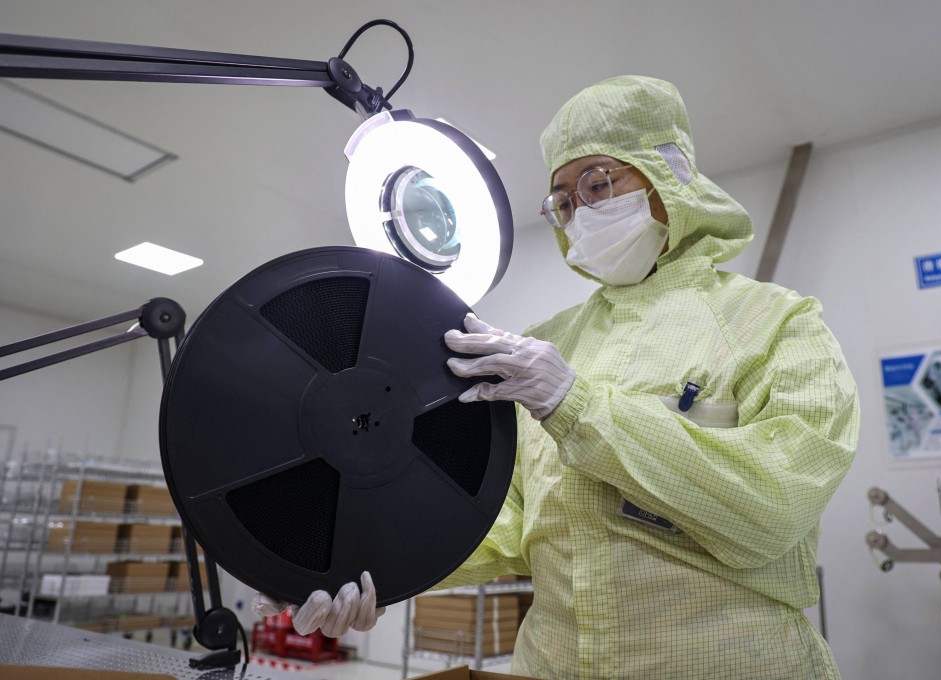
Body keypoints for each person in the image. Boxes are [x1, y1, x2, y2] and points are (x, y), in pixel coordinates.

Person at [258, 75, 860, 679]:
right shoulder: (550, 341)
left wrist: (576, 405)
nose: (580, 214)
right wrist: (357, 569)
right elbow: (507, 522)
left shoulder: (776, 323)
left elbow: (777, 504)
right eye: (564, 202)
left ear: (668, 173)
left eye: (598, 184)